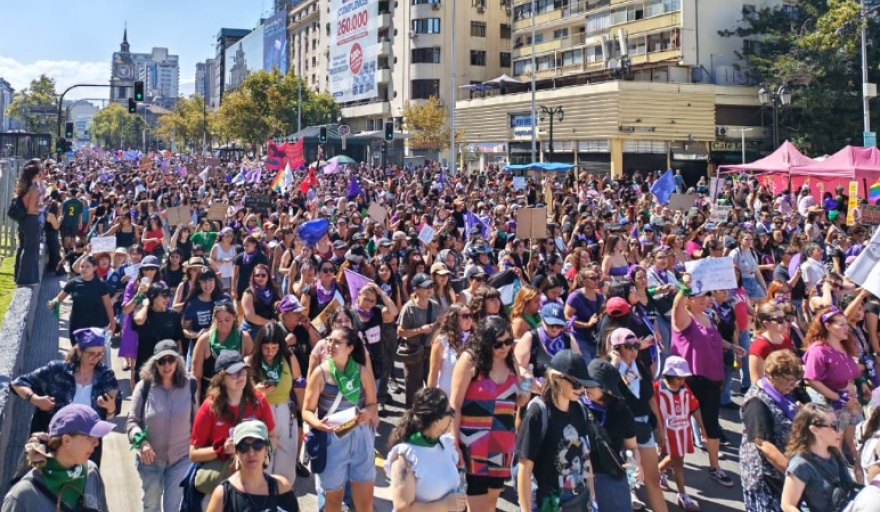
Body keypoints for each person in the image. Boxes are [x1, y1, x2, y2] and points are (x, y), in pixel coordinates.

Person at [449, 315, 528, 512]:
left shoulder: (511, 361)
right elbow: (455, 404)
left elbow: (519, 399)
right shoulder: (470, 361)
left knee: (491, 504)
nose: (504, 347)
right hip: (472, 443)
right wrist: (454, 442)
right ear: (485, 342)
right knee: (477, 506)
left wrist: (526, 386)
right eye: (498, 344)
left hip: (502, 444)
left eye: (508, 341)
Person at [670, 273, 742, 487]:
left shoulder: (708, 317)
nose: (705, 299)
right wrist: (685, 287)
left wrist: (732, 347)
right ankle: (665, 467)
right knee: (677, 426)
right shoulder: (683, 319)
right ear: (689, 300)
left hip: (713, 379)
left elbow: (716, 340)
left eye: (707, 295)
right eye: (699, 296)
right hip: (691, 380)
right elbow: (676, 307)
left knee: (711, 425)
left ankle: (715, 467)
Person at [11, 327, 120, 464]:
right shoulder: (56, 370)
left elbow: (111, 413)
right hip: (53, 449)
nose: (95, 359)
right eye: (91, 353)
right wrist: (36, 399)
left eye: (100, 354)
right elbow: (17, 384)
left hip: (87, 450)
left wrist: (110, 407)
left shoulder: (106, 376)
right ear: (79, 351)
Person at [301, 327, 378, 512]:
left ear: (350, 348)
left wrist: (368, 413)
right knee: (333, 501)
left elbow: (373, 405)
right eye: (329, 340)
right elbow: (306, 410)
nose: (330, 345)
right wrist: (318, 424)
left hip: (360, 437)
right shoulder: (320, 373)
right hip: (332, 439)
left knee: (365, 503)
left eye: (336, 342)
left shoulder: (362, 372)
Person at [516, 349, 598, 512]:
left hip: (579, 497)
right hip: (548, 502)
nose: (581, 389)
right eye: (576, 383)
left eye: (584, 384)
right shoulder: (538, 412)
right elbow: (524, 468)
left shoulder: (580, 409)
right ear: (556, 378)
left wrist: (591, 494)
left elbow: (585, 455)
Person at [190, 351, 277, 500]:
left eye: (243, 371)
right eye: (234, 373)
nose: (241, 376)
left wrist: (262, 453)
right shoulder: (209, 408)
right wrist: (221, 449)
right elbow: (193, 454)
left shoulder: (259, 400)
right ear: (221, 379)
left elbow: (273, 436)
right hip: (222, 484)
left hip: (253, 479)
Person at [126, 340, 197, 512]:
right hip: (150, 461)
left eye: (171, 360)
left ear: (178, 360)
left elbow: (196, 421)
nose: (167, 365)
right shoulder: (144, 386)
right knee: (151, 506)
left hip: (180, 459)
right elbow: (132, 422)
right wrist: (141, 442)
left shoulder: (190, 384)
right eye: (161, 361)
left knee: (173, 508)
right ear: (154, 363)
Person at [1, 404, 113, 512]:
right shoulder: (22, 496)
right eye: (90, 437)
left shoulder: (91, 472)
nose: (96, 443)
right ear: (66, 440)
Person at [604, 328, 668, 512]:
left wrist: (660, 428)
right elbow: (603, 395)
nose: (633, 351)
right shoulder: (608, 368)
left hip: (643, 427)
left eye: (636, 346)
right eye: (628, 346)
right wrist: (614, 365)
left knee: (652, 479)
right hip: (622, 433)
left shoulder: (639, 366)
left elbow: (651, 398)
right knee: (627, 481)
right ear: (616, 348)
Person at [740, 350, 804, 512]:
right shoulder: (756, 401)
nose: (793, 385)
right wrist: (793, 475)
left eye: (796, 381)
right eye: (789, 380)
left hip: (782, 473)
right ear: (773, 376)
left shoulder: (784, 392)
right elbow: (763, 444)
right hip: (765, 477)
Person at [385, 387, 466, 512]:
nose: (452, 417)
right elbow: (402, 507)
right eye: (450, 413)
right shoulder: (406, 457)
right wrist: (445, 506)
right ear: (436, 421)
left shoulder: (444, 445)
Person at [246, 321, 305, 486]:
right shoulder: (251, 361)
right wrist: (256, 391)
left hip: (286, 412)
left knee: (287, 457)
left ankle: (283, 493)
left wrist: (304, 415)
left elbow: (299, 387)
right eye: (266, 348)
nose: (270, 353)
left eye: (274, 348)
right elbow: (241, 394)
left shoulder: (289, 358)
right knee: (263, 456)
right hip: (261, 413)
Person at [205, 420, 299, 512]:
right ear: (236, 452)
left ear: (266, 449)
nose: (251, 453)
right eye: (243, 446)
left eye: (257, 445)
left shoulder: (281, 487)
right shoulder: (223, 495)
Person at [780, 403, 856, 512]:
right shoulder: (800, 464)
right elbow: (787, 505)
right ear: (815, 430)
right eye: (834, 426)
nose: (840, 431)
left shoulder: (835, 454)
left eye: (839, 424)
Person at [653, 356, 705, 511]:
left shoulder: (685, 388)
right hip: (665, 433)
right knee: (675, 459)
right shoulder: (657, 389)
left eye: (684, 377)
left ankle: (658, 474)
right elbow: (652, 410)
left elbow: (694, 407)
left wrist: (702, 428)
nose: (683, 380)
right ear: (669, 375)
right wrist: (657, 430)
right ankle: (678, 491)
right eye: (679, 377)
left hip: (682, 431)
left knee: (677, 459)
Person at [47, 255, 116, 342]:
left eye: (87, 266)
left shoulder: (101, 285)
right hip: (77, 325)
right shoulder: (73, 282)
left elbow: (108, 305)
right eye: (82, 266)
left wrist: (112, 323)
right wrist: (53, 303)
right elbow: (58, 298)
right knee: (77, 349)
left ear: (95, 268)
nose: (84, 269)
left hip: (97, 326)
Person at [397, 272, 440, 408]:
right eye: (426, 287)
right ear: (416, 289)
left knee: (432, 386)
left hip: (430, 351)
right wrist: (420, 330)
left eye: (431, 286)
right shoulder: (409, 308)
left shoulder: (435, 305)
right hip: (414, 352)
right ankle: (412, 416)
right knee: (413, 390)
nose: (430, 289)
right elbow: (400, 332)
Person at [192, 302, 254, 394]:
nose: (223, 324)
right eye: (219, 321)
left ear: (234, 317)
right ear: (214, 320)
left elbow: (251, 370)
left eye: (227, 320)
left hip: (237, 393)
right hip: (210, 392)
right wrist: (196, 401)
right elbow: (196, 376)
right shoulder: (204, 340)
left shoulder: (245, 338)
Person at [132, 282, 184, 384]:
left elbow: (178, 340)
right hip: (147, 365)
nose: (167, 299)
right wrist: (147, 304)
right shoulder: (143, 313)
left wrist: (180, 363)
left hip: (167, 366)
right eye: (164, 296)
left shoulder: (174, 315)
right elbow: (139, 320)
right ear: (153, 297)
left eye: (168, 296)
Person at [427, 304, 474, 396]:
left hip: (468, 396)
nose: (469, 319)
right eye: (465, 316)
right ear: (454, 319)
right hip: (446, 395)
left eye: (470, 315)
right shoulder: (441, 341)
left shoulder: (475, 339)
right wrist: (430, 397)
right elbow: (433, 373)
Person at [749, 302, 797, 381]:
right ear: (766, 323)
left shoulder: (786, 338)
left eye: (785, 317)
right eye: (779, 320)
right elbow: (756, 380)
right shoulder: (759, 346)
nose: (785, 322)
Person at [565, 267, 605, 359]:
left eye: (597, 277)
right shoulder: (575, 297)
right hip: (580, 339)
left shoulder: (600, 297)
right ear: (583, 281)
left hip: (596, 339)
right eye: (592, 278)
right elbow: (567, 317)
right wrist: (587, 324)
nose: (596, 280)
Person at [13, 160, 42, 285]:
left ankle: (19, 275)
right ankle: (27, 278)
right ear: (35, 175)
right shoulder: (33, 189)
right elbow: (32, 209)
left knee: (23, 248)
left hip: (23, 221)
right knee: (31, 250)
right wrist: (42, 205)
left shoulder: (22, 187)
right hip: (31, 220)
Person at [240, 263, 282, 341]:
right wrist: (269, 322)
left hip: (271, 328)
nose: (260, 277)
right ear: (253, 277)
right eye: (257, 275)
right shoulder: (248, 293)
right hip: (252, 330)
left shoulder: (274, 289)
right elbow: (250, 317)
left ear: (268, 277)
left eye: (263, 275)